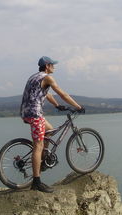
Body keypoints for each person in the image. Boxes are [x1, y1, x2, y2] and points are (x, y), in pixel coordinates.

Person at [20, 56, 84, 193]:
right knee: (38, 145)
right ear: (47, 66)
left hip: (27, 112)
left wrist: (57, 106)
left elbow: (46, 95)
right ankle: (36, 182)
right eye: (53, 65)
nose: (54, 67)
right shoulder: (48, 78)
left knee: (49, 131)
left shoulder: (34, 77)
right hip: (35, 114)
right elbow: (63, 94)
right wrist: (78, 106)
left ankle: (42, 161)